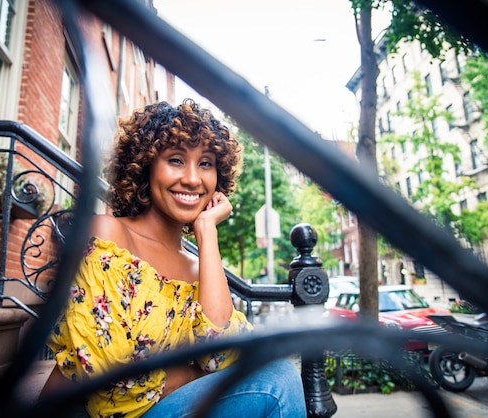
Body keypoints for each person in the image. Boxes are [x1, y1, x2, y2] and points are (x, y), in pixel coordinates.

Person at [41, 99, 306, 417]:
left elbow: (223, 358)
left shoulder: (199, 267)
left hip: (169, 408)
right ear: (145, 166)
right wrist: (193, 373)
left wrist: (208, 233)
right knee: (277, 380)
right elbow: (109, 378)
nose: (193, 179)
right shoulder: (107, 234)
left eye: (206, 163)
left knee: (276, 372)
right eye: (177, 160)